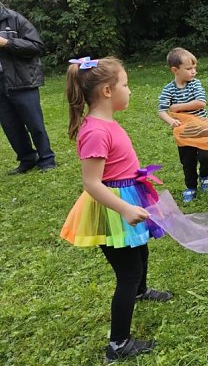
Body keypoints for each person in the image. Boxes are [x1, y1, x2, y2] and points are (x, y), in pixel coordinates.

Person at [60, 57, 171, 363]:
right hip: (112, 210)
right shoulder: (95, 131)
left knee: (141, 251)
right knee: (128, 271)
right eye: (125, 85)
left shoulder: (107, 123)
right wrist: (124, 208)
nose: (130, 91)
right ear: (108, 91)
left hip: (128, 199)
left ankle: (141, 291)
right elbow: (92, 183)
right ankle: (118, 344)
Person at [0, 3, 56, 174]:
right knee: (10, 125)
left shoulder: (14, 19)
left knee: (34, 122)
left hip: (21, 79)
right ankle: (27, 159)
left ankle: (47, 159)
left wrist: (7, 43)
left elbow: (36, 46)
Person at [157, 48, 208, 203]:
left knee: (207, 157)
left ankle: (205, 175)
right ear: (175, 70)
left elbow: (200, 103)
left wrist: (176, 107)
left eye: (194, 68)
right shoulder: (169, 89)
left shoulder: (195, 84)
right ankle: (191, 187)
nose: (193, 72)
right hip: (184, 133)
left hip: (201, 129)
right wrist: (171, 120)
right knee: (187, 162)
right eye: (189, 69)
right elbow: (162, 110)